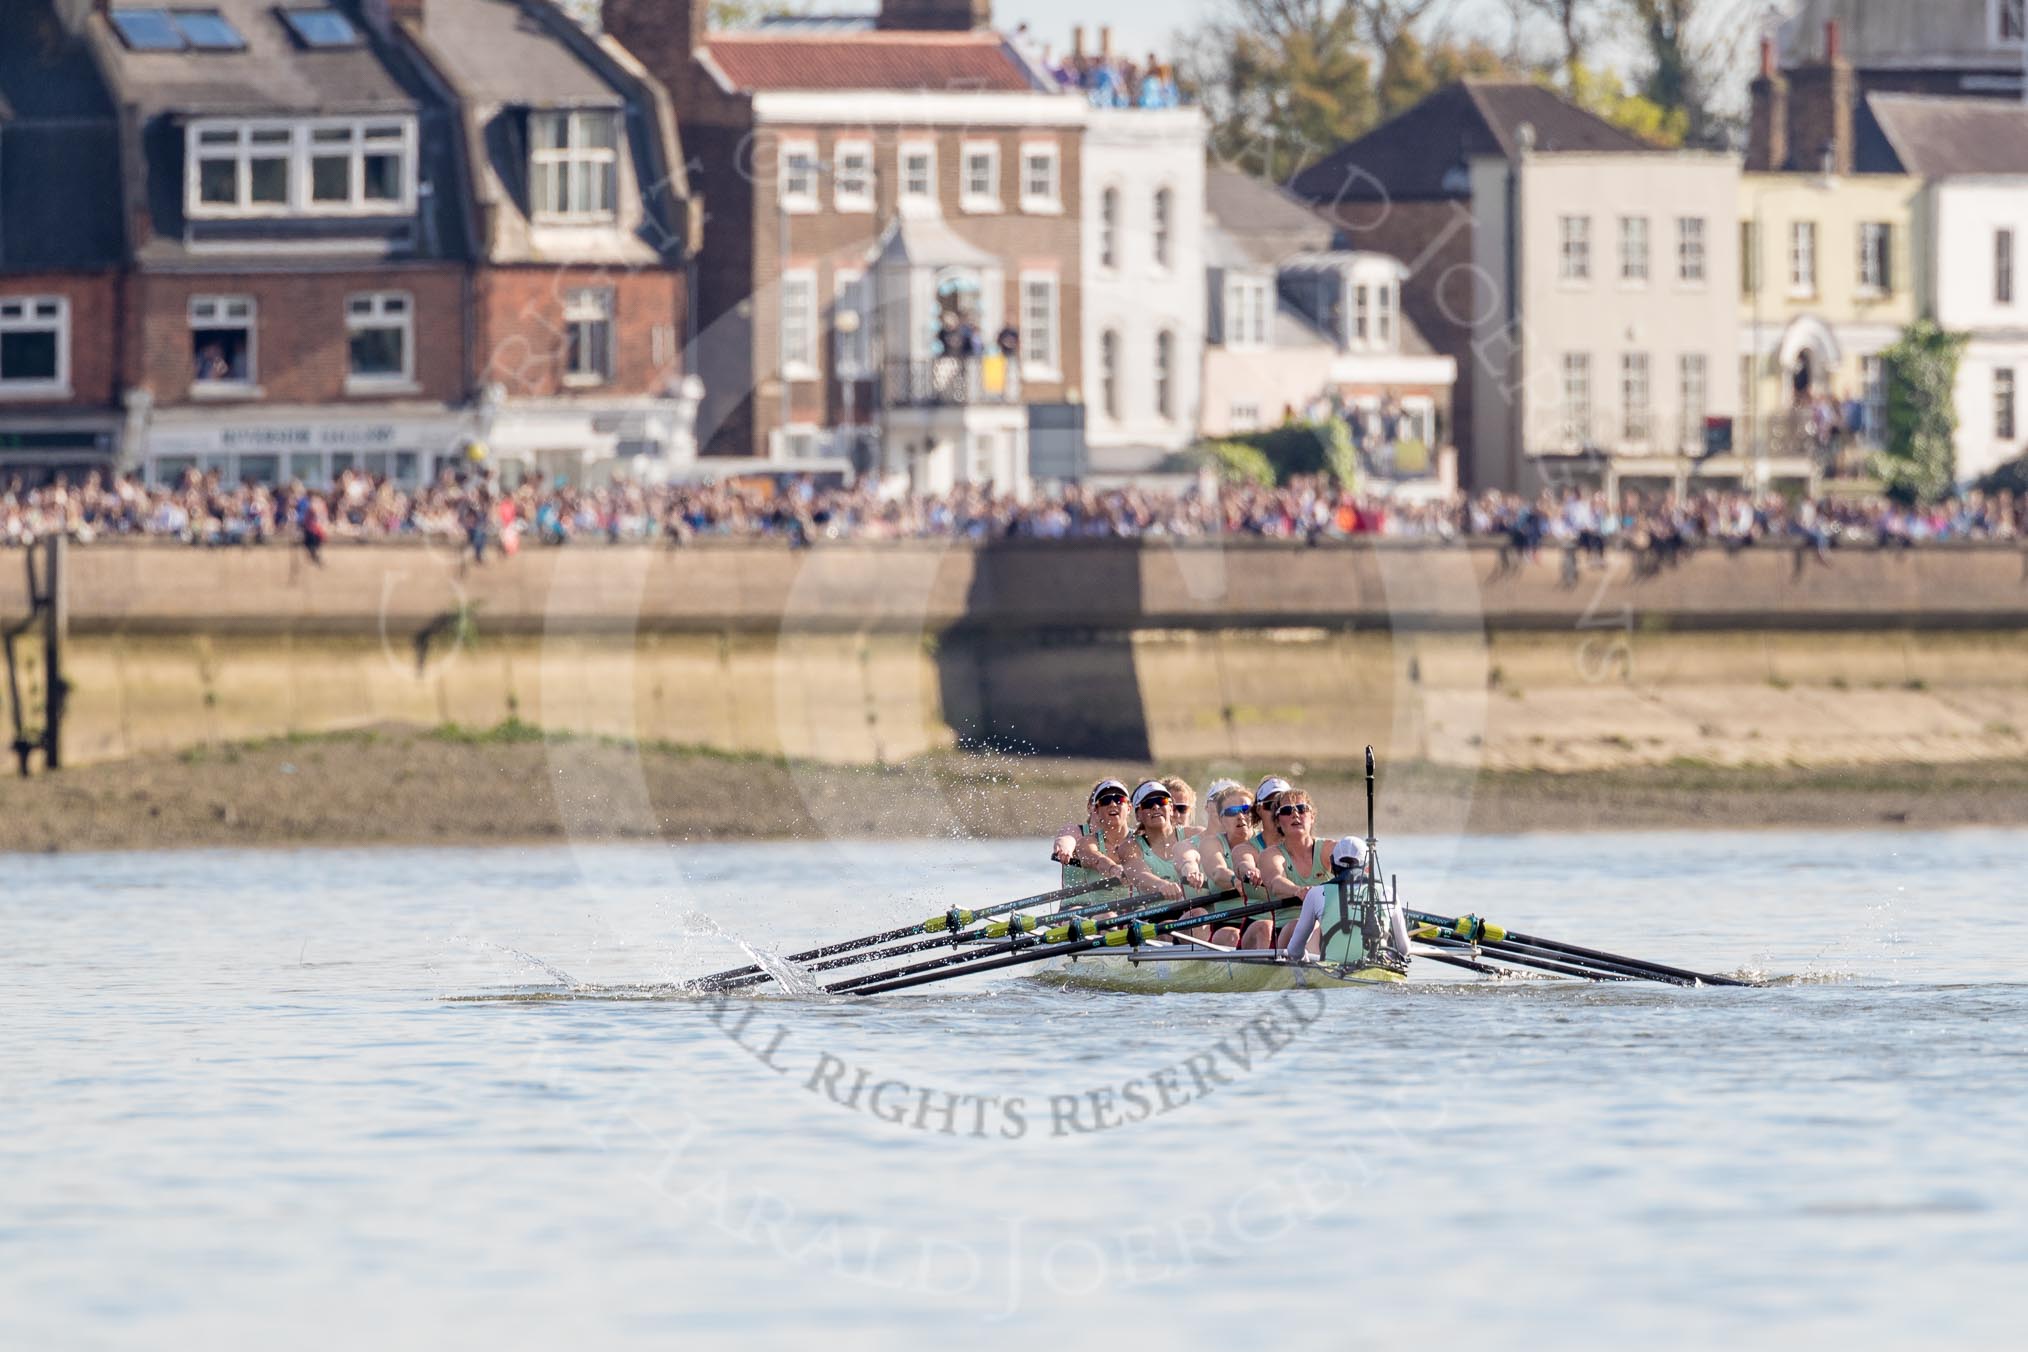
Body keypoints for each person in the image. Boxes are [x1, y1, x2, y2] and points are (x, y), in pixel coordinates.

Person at [1250, 788, 1334, 956]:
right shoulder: (1271, 855)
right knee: (1302, 925)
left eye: (1301, 809)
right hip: (1286, 932)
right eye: (1287, 811)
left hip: (1329, 927)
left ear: (1312, 816)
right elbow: (1275, 881)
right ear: (1278, 822)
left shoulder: (1329, 849)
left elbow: (1358, 869)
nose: (1295, 814)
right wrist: (1298, 891)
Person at [1200, 780, 1267, 947]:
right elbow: (1217, 871)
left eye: (1246, 810)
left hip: (1266, 920)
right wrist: (1235, 880)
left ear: (1255, 814)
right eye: (1232, 812)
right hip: (1227, 923)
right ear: (1221, 819)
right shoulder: (1211, 843)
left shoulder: (1268, 842)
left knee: (1266, 927)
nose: (1240, 816)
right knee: (1235, 936)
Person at [1051, 778, 1133, 896]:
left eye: (1118, 800)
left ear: (1129, 807)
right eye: (1104, 801)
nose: (1112, 804)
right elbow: (1066, 839)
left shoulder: (1136, 838)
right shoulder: (1077, 832)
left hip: (1123, 908)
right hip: (1077, 907)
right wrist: (1065, 849)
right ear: (1092, 807)